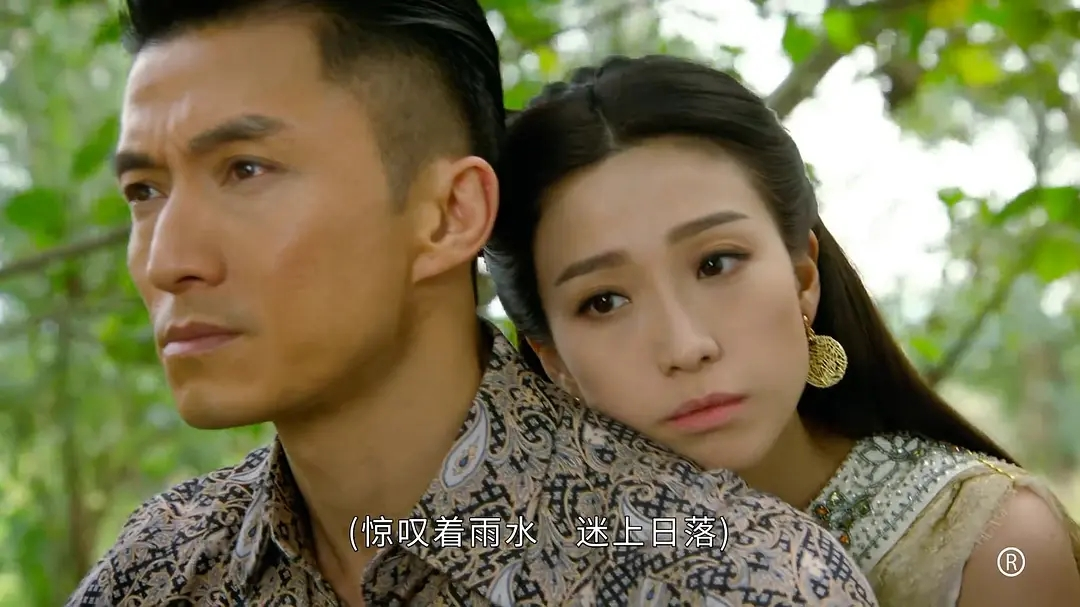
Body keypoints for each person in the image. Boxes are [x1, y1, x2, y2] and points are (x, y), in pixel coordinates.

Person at [67, 2, 879, 605]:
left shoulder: (730, 578)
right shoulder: (157, 570)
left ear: (450, 214)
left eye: (246, 170)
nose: (167, 260)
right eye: (145, 191)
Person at [484, 54, 1080, 607]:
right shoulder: (520, 545)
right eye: (604, 301)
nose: (687, 347)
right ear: (553, 359)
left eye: (716, 263)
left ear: (802, 279)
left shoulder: (986, 541)